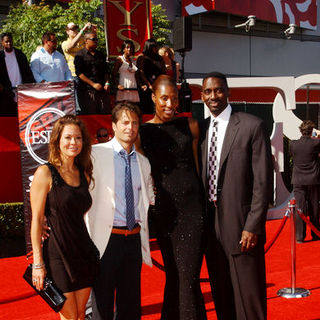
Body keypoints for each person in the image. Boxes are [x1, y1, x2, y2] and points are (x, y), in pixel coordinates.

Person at [199, 72, 273, 320]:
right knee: (222, 294)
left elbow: (263, 182)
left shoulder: (251, 125)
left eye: (218, 90)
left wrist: (252, 226)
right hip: (211, 227)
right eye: (208, 92)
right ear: (201, 96)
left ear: (228, 92)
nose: (213, 96)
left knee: (249, 298)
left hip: (242, 226)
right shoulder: (202, 129)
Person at [137, 75, 207, 320]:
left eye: (174, 98)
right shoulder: (142, 132)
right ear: (154, 98)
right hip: (166, 214)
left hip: (193, 210)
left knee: (189, 276)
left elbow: (199, 169)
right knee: (176, 276)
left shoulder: (191, 125)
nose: (169, 104)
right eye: (164, 98)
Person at [85, 102, 154, 320]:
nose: (130, 127)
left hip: (133, 241)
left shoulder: (143, 162)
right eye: (124, 122)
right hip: (105, 242)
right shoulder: (95, 155)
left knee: (130, 307)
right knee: (102, 307)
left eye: (134, 123)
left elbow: (149, 200)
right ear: (114, 125)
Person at [30, 115, 100, 320]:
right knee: (69, 316)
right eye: (68, 137)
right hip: (57, 254)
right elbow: (36, 219)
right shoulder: (45, 173)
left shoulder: (84, 173)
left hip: (83, 251)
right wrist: (38, 263)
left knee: (80, 314)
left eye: (78, 138)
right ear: (57, 140)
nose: (73, 143)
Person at [290, 120, 320, 243]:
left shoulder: (293, 144)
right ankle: (315, 233)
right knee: (314, 208)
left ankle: (299, 237)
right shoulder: (315, 143)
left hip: (298, 180)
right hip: (313, 180)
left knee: (300, 209)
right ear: (311, 131)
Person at [74, 32, 111, 114]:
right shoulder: (80, 55)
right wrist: (93, 84)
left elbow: (106, 71)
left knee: (105, 114)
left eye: (97, 39)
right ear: (86, 41)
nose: (96, 41)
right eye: (93, 39)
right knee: (91, 116)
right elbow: (79, 73)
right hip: (87, 91)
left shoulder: (100, 55)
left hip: (102, 90)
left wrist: (107, 83)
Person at [0, 32, 35, 116]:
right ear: (2, 43)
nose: (9, 43)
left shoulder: (20, 54)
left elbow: (27, 72)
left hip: (21, 91)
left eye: (10, 41)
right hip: (6, 93)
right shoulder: (0, 57)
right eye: (6, 42)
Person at [136, 38, 166, 114]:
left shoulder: (159, 58)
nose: (155, 49)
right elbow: (140, 72)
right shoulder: (142, 57)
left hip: (158, 85)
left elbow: (163, 72)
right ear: (148, 47)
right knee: (146, 109)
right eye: (153, 47)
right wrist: (148, 84)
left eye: (156, 46)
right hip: (146, 87)